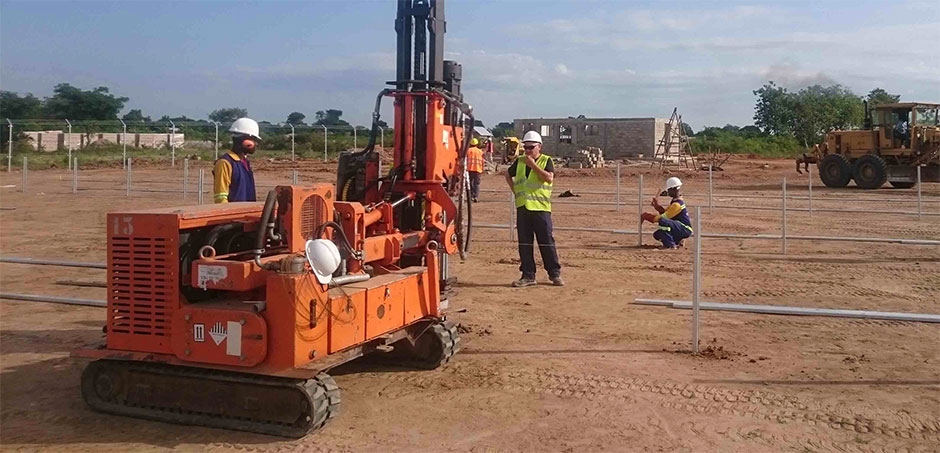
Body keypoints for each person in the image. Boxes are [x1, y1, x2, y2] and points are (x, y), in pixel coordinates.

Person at [504, 131, 563, 287]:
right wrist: (514, 190)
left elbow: (549, 178)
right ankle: (528, 275)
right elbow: (507, 174)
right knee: (525, 243)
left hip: (541, 209)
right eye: (525, 147)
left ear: (539, 147)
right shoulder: (520, 161)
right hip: (523, 207)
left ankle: (554, 274)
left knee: (546, 242)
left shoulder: (546, 160)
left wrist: (533, 165)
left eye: (531, 147)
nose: (528, 150)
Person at [214, 117, 261, 203]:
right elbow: (221, 197)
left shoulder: (244, 162)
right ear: (241, 139)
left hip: (247, 210)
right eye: (253, 140)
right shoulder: (225, 163)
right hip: (233, 211)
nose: (256, 143)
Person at [641, 177, 693, 249]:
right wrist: (657, 206)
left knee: (662, 221)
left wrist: (647, 216)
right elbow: (665, 212)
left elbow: (663, 217)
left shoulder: (677, 205)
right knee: (658, 234)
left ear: (674, 189)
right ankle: (677, 241)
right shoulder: (675, 201)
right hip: (678, 227)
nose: (668, 192)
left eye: (669, 190)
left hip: (685, 229)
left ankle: (670, 245)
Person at [466, 137, 485, 202]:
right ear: (477, 144)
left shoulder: (468, 151)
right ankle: (476, 196)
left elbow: (465, 159)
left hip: (470, 169)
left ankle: (471, 196)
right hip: (478, 169)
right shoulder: (480, 151)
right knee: (476, 184)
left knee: (470, 183)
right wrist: (482, 168)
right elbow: (482, 161)